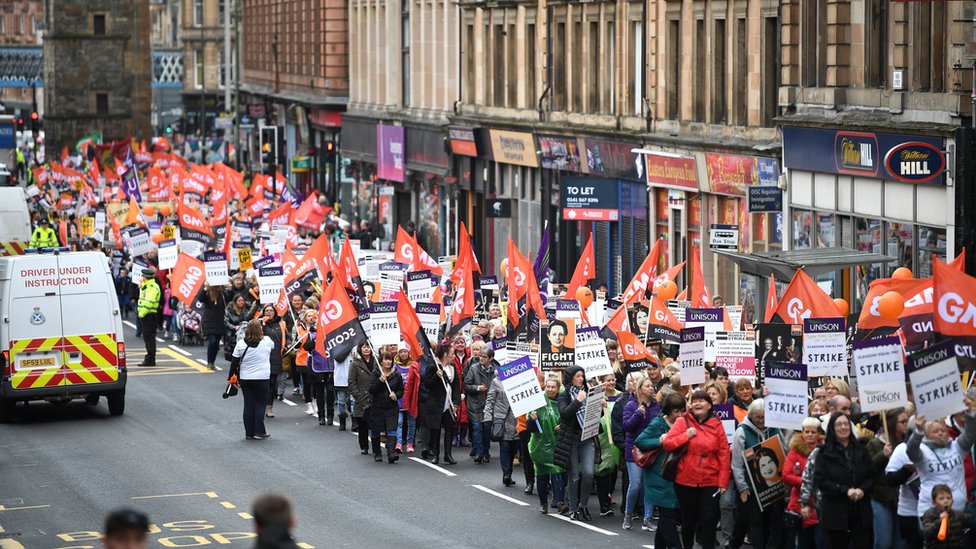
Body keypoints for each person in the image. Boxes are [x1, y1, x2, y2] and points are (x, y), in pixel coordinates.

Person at [662, 388, 731, 549]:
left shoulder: (716, 424)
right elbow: (668, 444)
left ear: (709, 405)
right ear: (690, 405)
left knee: (709, 519)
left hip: (710, 480)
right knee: (689, 520)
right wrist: (686, 436)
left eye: (702, 400)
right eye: (695, 401)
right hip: (685, 480)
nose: (698, 403)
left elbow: (724, 454)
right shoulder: (682, 422)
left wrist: (723, 482)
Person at [728, 399, 786, 549]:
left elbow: (783, 452)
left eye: (764, 417)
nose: (761, 421)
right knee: (750, 522)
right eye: (757, 417)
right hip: (751, 487)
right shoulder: (742, 431)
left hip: (772, 487)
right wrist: (742, 487)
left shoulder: (775, 428)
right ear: (751, 415)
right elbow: (736, 464)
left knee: (771, 523)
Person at [906, 399, 976, 521]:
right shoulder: (923, 451)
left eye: (943, 430)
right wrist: (918, 431)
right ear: (927, 435)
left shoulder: (957, 447)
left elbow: (970, 434)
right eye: (935, 431)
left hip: (958, 512)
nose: (940, 433)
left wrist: (969, 413)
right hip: (931, 513)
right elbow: (911, 451)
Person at [813, 412, 873, 548]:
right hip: (836, 513)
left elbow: (871, 476)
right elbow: (821, 480)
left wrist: (862, 490)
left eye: (846, 424)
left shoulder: (862, 450)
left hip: (861, 512)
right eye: (839, 424)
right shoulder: (824, 453)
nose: (843, 427)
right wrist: (845, 491)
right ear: (832, 429)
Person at [634, 392, 685, 549]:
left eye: (682, 410)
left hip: (675, 475)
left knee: (667, 515)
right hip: (658, 475)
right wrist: (659, 440)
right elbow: (640, 441)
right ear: (668, 410)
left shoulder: (684, 424)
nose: (680, 414)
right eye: (676, 411)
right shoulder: (658, 424)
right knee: (667, 515)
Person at [554, 365, 598, 522]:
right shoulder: (564, 395)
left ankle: (583, 505)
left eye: (582, 376)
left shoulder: (589, 392)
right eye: (578, 376)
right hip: (571, 440)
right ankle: (573, 508)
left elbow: (593, 414)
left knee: (588, 473)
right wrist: (578, 401)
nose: (581, 379)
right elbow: (565, 414)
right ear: (571, 378)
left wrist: (600, 406)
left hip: (587, 438)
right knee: (574, 476)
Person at [866, 408, 910, 549]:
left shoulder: (907, 444)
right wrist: (882, 455)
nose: (907, 424)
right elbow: (867, 470)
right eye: (903, 422)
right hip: (881, 499)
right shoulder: (875, 444)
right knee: (884, 542)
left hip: (903, 499)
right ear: (891, 424)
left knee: (901, 543)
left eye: (907, 421)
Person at [622, 374, 659, 531]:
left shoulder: (657, 405)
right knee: (635, 484)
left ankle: (648, 518)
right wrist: (638, 414)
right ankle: (628, 514)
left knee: (649, 485)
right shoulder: (631, 405)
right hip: (635, 451)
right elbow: (626, 427)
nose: (651, 388)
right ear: (640, 389)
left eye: (652, 386)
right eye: (647, 386)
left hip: (651, 450)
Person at [527, 377, 566, 514]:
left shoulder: (562, 402)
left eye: (553, 387)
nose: (550, 389)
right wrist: (532, 420)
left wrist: (563, 427)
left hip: (556, 445)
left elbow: (568, 419)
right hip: (540, 446)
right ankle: (543, 503)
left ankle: (560, 502)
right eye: (548, 386)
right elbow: (530, 428)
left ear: (558, 388)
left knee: (557, 473)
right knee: (542, 476)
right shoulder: (537, 402)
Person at [230, 320, 274, 440]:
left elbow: (234, 362)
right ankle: (259, 431)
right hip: (262, 378)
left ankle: (249, 433)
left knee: (248, 404)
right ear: (260, 329)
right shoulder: (267, 341)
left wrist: (231, 379)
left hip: (246, 378)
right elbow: (273, 348)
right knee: (260, 404)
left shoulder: (240, 344)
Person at [784, 416, 823, 549]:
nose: (810, 435)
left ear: (819, 434)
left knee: (820, 542)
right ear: (802, 433)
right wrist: (807, 482)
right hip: (800, 503)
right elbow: (786, 475)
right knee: (803, 543)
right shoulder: (795, 451)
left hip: (820, 503)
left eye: (813, 432)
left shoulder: (824, 451)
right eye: (807, 432)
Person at [421, 343, 461, 465]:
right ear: (445, 354)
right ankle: (436, 454)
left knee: (449, 430)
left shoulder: (453, 368)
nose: (454, 356)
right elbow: (427, 384)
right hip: (436, 404)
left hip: (448, 404)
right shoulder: (433, 367)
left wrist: (456, 403)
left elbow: (456, 387)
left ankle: (448, 455)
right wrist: (436, 377)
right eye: (452, 354)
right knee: (436, 429)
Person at [485, 366, 520, 486]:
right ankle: (506, 474)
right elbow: (490, 400)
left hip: (517, 420)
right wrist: (488, 417)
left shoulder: (522, 381)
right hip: (502, 420)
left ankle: (509, 473)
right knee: (504, 447)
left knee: (513, 449)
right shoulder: (496, 381)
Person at [368, 351, 404, 464]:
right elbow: (371, 390)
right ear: (381, 362)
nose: (388, 362)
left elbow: (401, 390)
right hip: (377, 407)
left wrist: (396, 395)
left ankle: (391, 453)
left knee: (392, 429)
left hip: (391, 407)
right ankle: (377, 452)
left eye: (390, 359)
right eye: (386, 359)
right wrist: (380, 381)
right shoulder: (376, 373)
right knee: (376, 430)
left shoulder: (396, 374)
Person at [464, 346, 497, 464]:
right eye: (480, 356)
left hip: (489, 405)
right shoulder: (473, 368)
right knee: (477, 428)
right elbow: (466, 384)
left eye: (484, 357)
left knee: (486, 429)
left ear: (491, 359)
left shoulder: (496, 370)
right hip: (475, 404)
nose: (481, 358)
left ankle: (486, 452)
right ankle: (478, 452)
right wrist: (478, 388)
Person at [919, 484, 975, 549]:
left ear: (952, 502)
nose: (946, 501)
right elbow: (927, 533)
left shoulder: (958, 515)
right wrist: (939, 521)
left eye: (949, 498)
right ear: (934, 502)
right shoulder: (929, 515)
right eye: (941, 498)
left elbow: (971, 522)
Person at [349, 342, 378, 454]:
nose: (366, 349)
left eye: (368, 347)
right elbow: (351, 381)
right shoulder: (355, 364)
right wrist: (357, 395)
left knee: (375, 424)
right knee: (362, 424)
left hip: (375, 397)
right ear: (360, 349)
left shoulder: (377, 362)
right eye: (364, 347)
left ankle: (376, 448)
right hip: (362, 398)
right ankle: (364, 446)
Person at [259, 304, 287, 419]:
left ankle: (269, 407)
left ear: (275, 312)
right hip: (263, 357)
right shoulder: (260, 323)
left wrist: (288, 343)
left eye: (271, 310)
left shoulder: (281, 323)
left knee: (272, 383)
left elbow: (286, 336)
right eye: (266, 311)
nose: (268, 312)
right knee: (263, 384)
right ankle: (261, 405)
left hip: (275, 356)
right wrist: (263, 324)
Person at [395, 343, 419, 452]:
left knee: (411, 422)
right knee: (399, 422)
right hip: (399, 398)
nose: (403, 354)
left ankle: (410, 443)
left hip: (411, 397)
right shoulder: (394, 366)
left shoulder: (413, 365)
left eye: (405, 351)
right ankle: (398, 443)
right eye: (401, 352)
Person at [137, 268, 161, 366]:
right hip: (146, 315)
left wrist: (141, 314)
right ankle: (150, 358)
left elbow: (148, 303)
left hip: (149, 315)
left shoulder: (152, 287)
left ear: (145, 277)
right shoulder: (146, 286)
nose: (141, 278)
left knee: (149, 338)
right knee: (148, 338)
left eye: (142, 276)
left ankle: (150, 359)